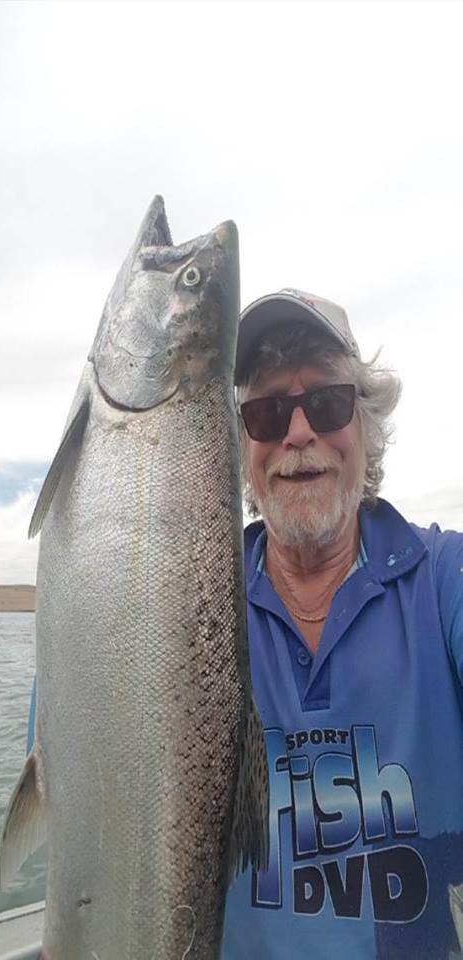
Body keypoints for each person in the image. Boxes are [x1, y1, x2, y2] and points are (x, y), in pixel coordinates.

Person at [221, 288, 463, 959]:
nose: (298, 433)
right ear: (244, 449)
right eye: (268, 413)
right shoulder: (193, 605)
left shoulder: (444, 581)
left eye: (326, 403)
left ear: (367, 426)